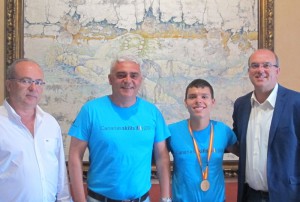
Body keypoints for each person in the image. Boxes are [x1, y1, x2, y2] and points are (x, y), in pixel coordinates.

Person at [68, 55, 172, 202]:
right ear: (110, 79)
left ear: (140, 80)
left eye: (133, 75)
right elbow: (74, 156)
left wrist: (166, 198)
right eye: (121, 75)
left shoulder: (152, 112)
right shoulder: (91, 111)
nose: (128, 80)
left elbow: (162, 158)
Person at [232, 49, 300, 202]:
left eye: (266, 65)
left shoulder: (296, 103)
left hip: (288, 196)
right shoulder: (241, 105)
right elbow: (238, 144)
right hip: (250, 196)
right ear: (249, 71)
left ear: (277, 70)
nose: (260, 70)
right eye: (255, 66)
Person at [0, 58, 72, 202]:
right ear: (9, 85)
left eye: (38, 82)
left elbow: (60, 175)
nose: (33, 88)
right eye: (26, 81)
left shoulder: (50, 123)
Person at [168, 78, 237, 202]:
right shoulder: (171, 132)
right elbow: (153, 157)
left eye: (204, 97)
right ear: (185, 102)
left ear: (213, 102)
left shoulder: (224, 131)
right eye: (192, 97)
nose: (198, 101)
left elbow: (246, 155)